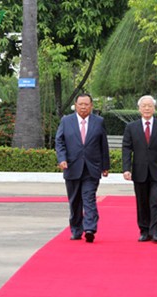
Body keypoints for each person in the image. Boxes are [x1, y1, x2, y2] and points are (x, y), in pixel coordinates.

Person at [55, 93, 110, 243]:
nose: (84, 107)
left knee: (89, 198)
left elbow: (103, 145)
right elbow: (59, 142)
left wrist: (105, 166)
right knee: (75, 201)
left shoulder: (99, 122)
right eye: (81, 104)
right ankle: (76, 229)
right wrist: (62, 159)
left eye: (87, 104)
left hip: (92, 168)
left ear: (91, 106)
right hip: (72, 166)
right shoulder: (66, 121)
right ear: (76, 105)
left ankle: (90, 228)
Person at [122, 95, 157, 243]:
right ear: (139, 109)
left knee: (156, 201)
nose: (147, 108)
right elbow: (126, 149)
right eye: (144, 106)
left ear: (154, 108)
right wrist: (126, 169)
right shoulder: (131, 127)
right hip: (139, 172)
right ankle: (144, 230)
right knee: (142, 202)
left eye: (150, 106)